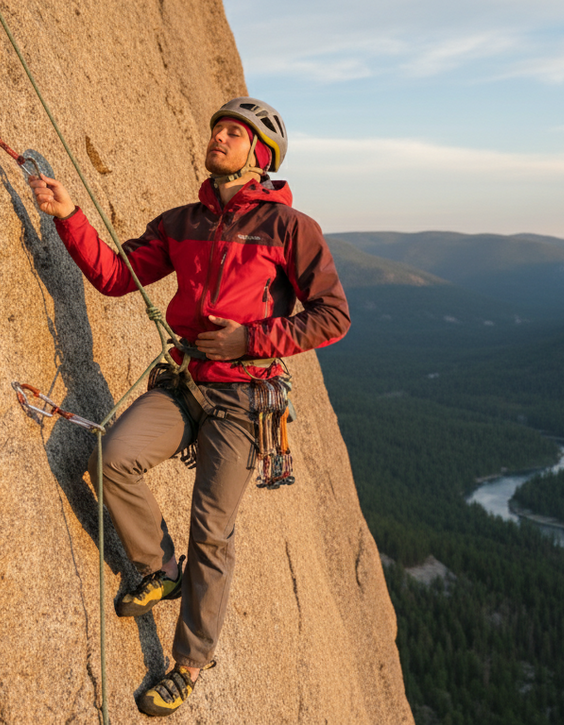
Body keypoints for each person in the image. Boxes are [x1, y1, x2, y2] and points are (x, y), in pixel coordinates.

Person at [28, 97, 349, 717]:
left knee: (211, 531)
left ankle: (189, 664)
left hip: (244, 398)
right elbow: (117, 276)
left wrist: (249, 340)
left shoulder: (290, 228)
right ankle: (159, 568)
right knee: (111, 457)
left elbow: (333, 316)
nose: (219, 138)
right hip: (187, 381)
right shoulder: (183, 222)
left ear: (260, 156)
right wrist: (69, 216)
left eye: (234, 133)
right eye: (218, 129)